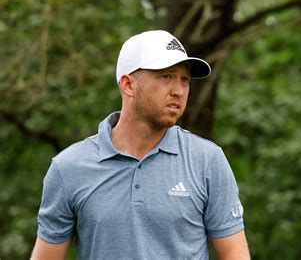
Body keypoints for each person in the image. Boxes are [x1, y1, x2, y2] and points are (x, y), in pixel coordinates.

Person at [31, 30, 250, 259]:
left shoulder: (207, 160)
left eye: (184, 79)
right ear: (128, 84)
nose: (178, 91)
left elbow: (235, 254)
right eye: (166, 77)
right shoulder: (68, 168)